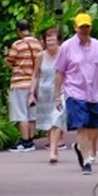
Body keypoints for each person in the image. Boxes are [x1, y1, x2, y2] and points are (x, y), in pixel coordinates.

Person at [52, 11, 98, 174]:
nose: (84, 30)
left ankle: (79, 146)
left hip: (94, 94)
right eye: (81, 27)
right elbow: (60, 72)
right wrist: (57, 95)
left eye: (87, 27)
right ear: (75, 28)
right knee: (81, 126)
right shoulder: (67, 47)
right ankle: (86, 162)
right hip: (74, 92)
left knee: (94, 126)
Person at [4, 20, 44, 151]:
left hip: (19, 83)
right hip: (35, 83)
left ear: (18, 30)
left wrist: (5, 55)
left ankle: (25, 141)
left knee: (21, 113)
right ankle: (31, 139)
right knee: (32, 114)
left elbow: (10, 63)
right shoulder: (38, 44)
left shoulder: (17, 45)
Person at [32, 27, 65, 163]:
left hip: (61, 91)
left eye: (53, 39)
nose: (51, 42)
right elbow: (35, 76)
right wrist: (31, 93)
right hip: (44, 92)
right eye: (48, 39)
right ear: (44, 41)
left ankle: (52, 151)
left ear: (58, 41)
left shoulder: (64, 54)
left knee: (56, 120)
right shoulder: (40, 56)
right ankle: (53, 147)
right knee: (49, 123)